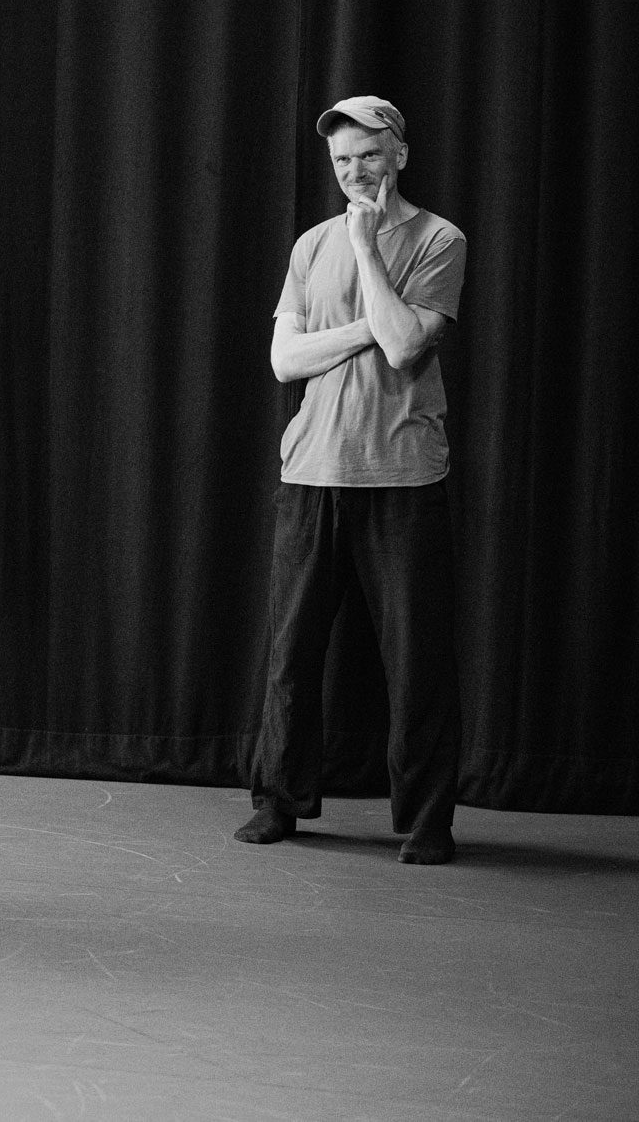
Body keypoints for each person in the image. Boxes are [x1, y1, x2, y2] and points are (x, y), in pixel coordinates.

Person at [236, 95, 467, 864]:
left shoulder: (439, 240)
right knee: (291, 652)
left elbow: (405, 350)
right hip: (312, 470)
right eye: (342, 159)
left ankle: (428, 820)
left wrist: (367, 250)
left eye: (369, 154)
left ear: (399, 153)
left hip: (402, 476)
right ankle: (278, 800)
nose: (355, 171)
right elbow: (284, 361)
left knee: (417, 660)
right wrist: (370, 325)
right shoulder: (310, 245)